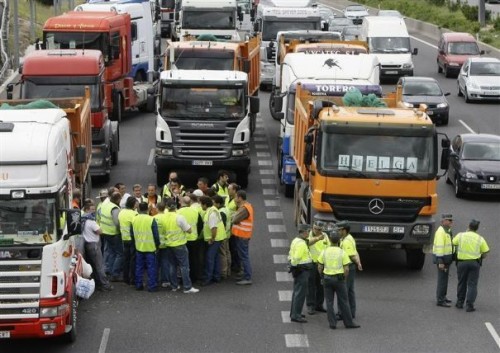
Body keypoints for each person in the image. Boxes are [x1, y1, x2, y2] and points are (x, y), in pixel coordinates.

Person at [318, 228, 360, 329]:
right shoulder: (342, 253)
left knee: (329, 302)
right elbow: (346, 269)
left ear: (330, 239)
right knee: (344, 301)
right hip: (339, 280)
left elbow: (319, 266)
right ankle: (348, 323)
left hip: (327, 279)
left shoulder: (324, 252)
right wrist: (344, 279)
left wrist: (322, 276)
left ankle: (332, 323)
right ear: (339, 240)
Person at [160, 198, 199, 293]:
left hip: (168, 244)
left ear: (166, 207)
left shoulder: (163, 217)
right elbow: (189, 230)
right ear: (176, 207)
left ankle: (174, 286)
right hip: (180, 244)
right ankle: (187, 287)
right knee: (184, 266)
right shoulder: (179, 217)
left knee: (172, 266)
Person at [452, 219, 490, 312]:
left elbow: (453, 243)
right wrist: (480, 257)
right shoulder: (480, 238)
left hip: (461, 263)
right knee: (472, 284)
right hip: (474, 263)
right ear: (477, 228)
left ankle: (460, 302)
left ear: (468, 226)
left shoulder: (460, 235)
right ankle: (469, 305)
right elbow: (485, 251)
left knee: (462, 282)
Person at [81, 201, 113, 291]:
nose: (94, 211)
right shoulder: (91, 222)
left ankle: (97, 283)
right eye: (92, 209)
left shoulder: (83, 219)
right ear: (86, 210)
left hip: (87, 244)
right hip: (94, 245)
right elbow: (100, 231)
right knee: (99, 266)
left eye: (94, 209)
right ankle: (105, 285)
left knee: (93, 265)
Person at [131, 202, 160, 292]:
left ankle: (138, 285)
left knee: (139, 267)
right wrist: (157, 244)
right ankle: (152, 286)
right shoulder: (151, 219)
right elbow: (156, 235)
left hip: (139, 247)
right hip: (150, 247)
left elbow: (131, 234)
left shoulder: (134, 219)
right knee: (151, 267)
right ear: (148, 209)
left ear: (138, 209)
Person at [289, 224, 313, 323]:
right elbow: (297, 258)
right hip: (302, 270)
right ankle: (296, 315)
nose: (309, 233)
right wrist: (294, 267)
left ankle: (294, 312)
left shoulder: (296, 240)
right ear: (303, 232)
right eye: (308, 231)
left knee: (296, 292)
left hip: (299, 270)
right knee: (300, 293)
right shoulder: (301, 244)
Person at [337, 220, 362, 319]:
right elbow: (355, 252)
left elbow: (351, 255)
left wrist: (357, 262)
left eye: (339, 230)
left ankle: (343, 313)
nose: (338, 232)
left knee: (343, 291)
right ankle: (351, 312)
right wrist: (359, 263)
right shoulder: (349, 238)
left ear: (344, 230)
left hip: (347, 267)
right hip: (352, 267)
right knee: (350, 291)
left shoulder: (346, 241)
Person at [177, 195, 204, 284]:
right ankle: (194, 277)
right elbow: (200, 225)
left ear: (182, 203)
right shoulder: (195, 211)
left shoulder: (178, 212)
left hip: (183, 239)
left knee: (184, 261)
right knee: (194, 259)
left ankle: (184, 278)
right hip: (194, 239)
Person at [200, 196, 225, 286]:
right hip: (218, 237)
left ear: (205, 205)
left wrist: (212, 239)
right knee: (216, 257)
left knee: (210, 258)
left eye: (201, 204)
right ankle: (216, 276)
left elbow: (213, 228)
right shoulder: (212, 210)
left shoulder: (211, 214)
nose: (200, 206)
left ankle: (208, 278)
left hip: (215, 238)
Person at [306, 221, 330, 315]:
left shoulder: (325, 236)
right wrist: (317, 238)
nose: (317, 231)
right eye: (315, 228)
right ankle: (310, 306)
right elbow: (307, 243)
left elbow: (328, 247)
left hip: (322, 265)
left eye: (319, 230)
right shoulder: (308, 234)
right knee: (310, 286)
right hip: (311, 264)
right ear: (312, 228)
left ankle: (319, 305)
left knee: (321, 286)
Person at [231, 190, 254, 285]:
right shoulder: (245, 206)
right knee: (243, 256)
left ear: (240, 198)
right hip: (242, 235)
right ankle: (245, 274)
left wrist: (233, 217)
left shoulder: (244, 208)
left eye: (236, 197)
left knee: (244, 256)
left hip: (242, 236)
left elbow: (235, 219)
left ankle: (247, 277)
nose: (235, 199)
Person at [100, 192, 123, 281]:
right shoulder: (114, 208)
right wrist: (121, 230)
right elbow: (117, 223)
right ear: (117, 200)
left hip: (105, 232)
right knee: (120, 254)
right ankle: (115, 274)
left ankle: (109, 270)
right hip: (114, 233)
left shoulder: (106, 204)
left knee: (111, 252)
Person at [432, 214, 454, 307]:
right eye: (449, 220)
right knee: (442, 280)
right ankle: (440, 300)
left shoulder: (447, 231)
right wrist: (440, 260)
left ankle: (443, 297)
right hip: (442, 260)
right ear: (443, 221)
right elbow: (440, 248)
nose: (451, 222)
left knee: (444, 279)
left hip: (446, 259)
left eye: (451, 220)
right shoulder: (441, 232)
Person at [118, 196, 138, 285]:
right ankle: (133, 279)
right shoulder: (134, 214)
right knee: (133, 260)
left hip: (124, 238)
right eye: (136, 204)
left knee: (126, 259)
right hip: (132, 239)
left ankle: (125, 278)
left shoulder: (121, 212)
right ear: (133, 204)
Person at [213, 195, 231, 280]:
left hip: (223, 236)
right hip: (227, 234)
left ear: (218, 204)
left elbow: (221, 225)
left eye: (214, 203)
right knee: (227, 252)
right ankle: (228, 270)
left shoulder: (221, 212)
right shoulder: (226, 209)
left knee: (222, 254)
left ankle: (224, 272)